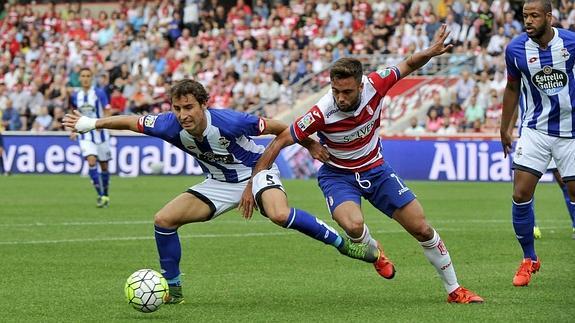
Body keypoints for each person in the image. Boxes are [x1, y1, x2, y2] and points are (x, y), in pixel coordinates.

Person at [63, 79, 381, 305]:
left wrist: (309, 142)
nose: (183, 114)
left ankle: (344, 246)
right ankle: (173, 289)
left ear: (204, 104)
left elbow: (280, 127)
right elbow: (132, 122)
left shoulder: (230, 121)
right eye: (177, 108)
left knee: (278, 213)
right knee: (163, 219)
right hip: (218, 183)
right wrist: (92, 123)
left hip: (257, 171)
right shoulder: (168, 124)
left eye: (189, 107)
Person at [240, 25, 483, 304]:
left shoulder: (377, 84)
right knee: (353, 226)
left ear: (360, 84)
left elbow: (408, 64)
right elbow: (280, 141)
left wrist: (430, 51)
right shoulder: (321, 112)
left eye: (346, 91)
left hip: (376, 169)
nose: (340, 97)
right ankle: (376, 252)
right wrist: (253, 182)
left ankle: (454, 290)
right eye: (335, 91)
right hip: (338, 175)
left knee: (422, 229)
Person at [500, 0, 575, 287]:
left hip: (570, 131)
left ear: (549, 17)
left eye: (534, 16)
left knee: (573, 191)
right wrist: (504, 127)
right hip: (534, 130)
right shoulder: (516, 50)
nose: (528, 21)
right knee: (520, 193)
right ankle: (529, 258)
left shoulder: (571, 43)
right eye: (524, 16)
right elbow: (511, 87)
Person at [70, 67, 112, 208]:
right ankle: (100, 195)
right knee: (91, 161)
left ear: (92, 78)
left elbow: (107, 109)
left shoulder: (99, 93)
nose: (85, 78)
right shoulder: (76, 95)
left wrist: (103, 123)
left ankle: (105, 193)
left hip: (101, 134)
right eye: (83, 75)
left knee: (104, 166)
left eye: (88, 75)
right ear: (80, 78)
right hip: (85, 135)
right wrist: (73, 129)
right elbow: (74, 113)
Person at [532, 161, 575, 240]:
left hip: (558, 150)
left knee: (566, 185)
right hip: (533, 149)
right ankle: (530, 227)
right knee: (526, 187)